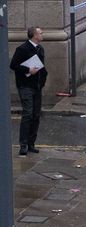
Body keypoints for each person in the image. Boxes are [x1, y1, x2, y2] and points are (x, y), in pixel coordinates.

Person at [9, 27, 47, 156]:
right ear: (34, 35)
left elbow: (42, 67)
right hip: (25, 86)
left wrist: (42, 81)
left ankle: (31, 143)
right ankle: (23, 145)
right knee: (28, 114)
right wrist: (28, 70)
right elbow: (13, 65)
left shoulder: (40, 49)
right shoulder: (22, 49)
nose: (42, 35)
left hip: (37, 86)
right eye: (40, 33)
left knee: (36, 115)